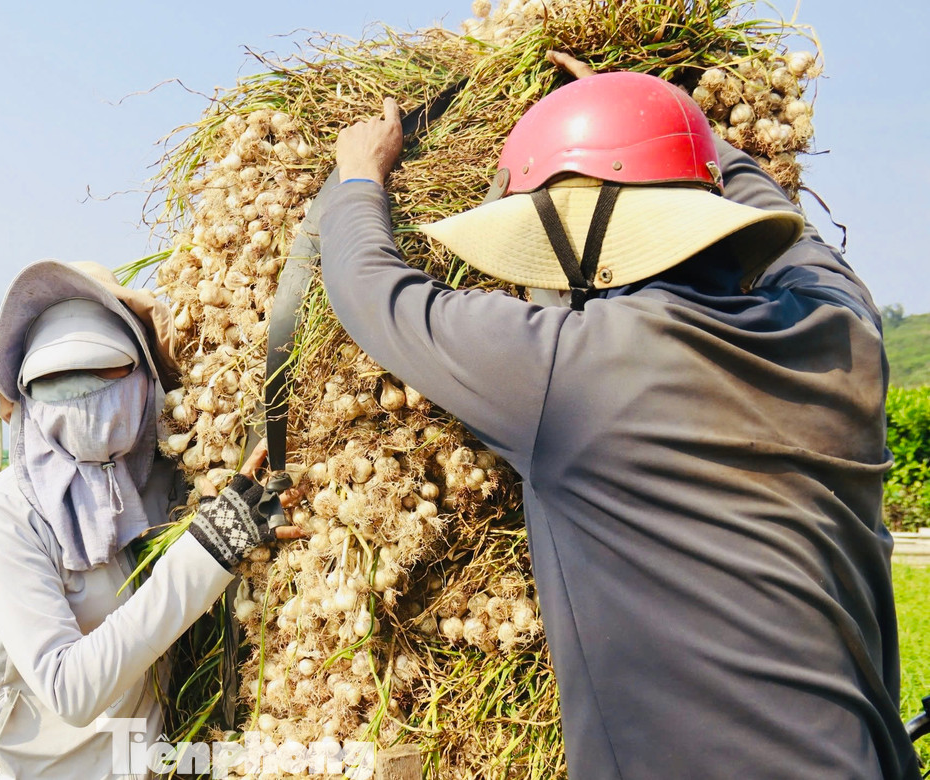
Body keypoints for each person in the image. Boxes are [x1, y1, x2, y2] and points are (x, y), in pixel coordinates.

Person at [321, 55, 917, 778]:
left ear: (585, 244)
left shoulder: (570, 371)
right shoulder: (844, 336)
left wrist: (359, 177)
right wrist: (665, 124)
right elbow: (799, 240)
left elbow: (370, 290)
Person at [0, 260, 302, 780]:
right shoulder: (4, 515)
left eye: (106, 373)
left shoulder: (165, 478)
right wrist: (211, 547)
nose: (82, 396)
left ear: (141, 378)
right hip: (27, 769)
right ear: (27, 390)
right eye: (56, 381)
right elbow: (69, 689)